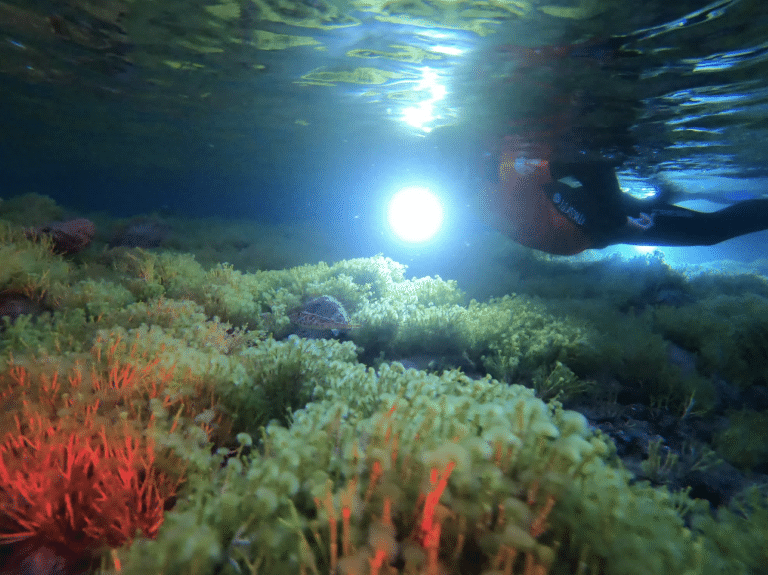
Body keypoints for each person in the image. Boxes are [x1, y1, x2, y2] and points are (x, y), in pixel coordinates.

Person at [479, 147, 768, 255]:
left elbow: (592, 162)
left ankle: (660, 197)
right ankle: (662, 196)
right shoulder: (482, 199)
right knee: (708, 230)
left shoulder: (507, 174)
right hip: (603, 225)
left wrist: (620, 221)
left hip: (613, 220)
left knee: (712, 230)